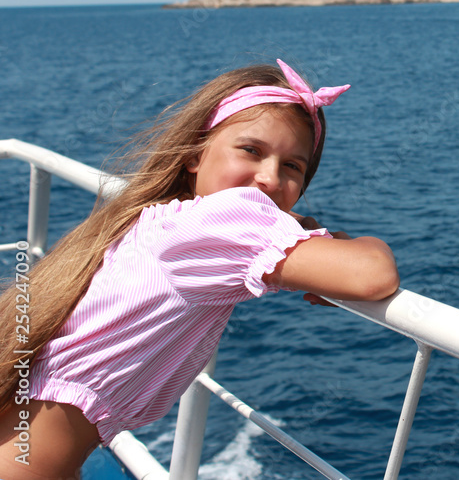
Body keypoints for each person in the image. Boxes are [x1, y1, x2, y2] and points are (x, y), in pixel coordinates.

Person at [0, 60, 399, 478]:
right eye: (251, 150)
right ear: (194, 154)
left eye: (292, 167)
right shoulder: (223, 220)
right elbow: (372, 275)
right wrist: (353, 244)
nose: (268, 178)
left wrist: (311, 247)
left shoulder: (162, 219)